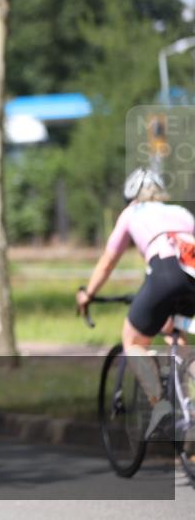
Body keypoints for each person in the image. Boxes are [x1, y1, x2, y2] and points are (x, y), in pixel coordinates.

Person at [76, 168, 195, 438]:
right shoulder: (182, 213)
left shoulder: (132, 213)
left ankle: (161, 408)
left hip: (165, 273)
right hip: (192, 274)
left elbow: (108, 261)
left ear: (132, 197)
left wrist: (89, 294)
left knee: (132, 341)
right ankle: (191, 415)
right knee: (175, 334)